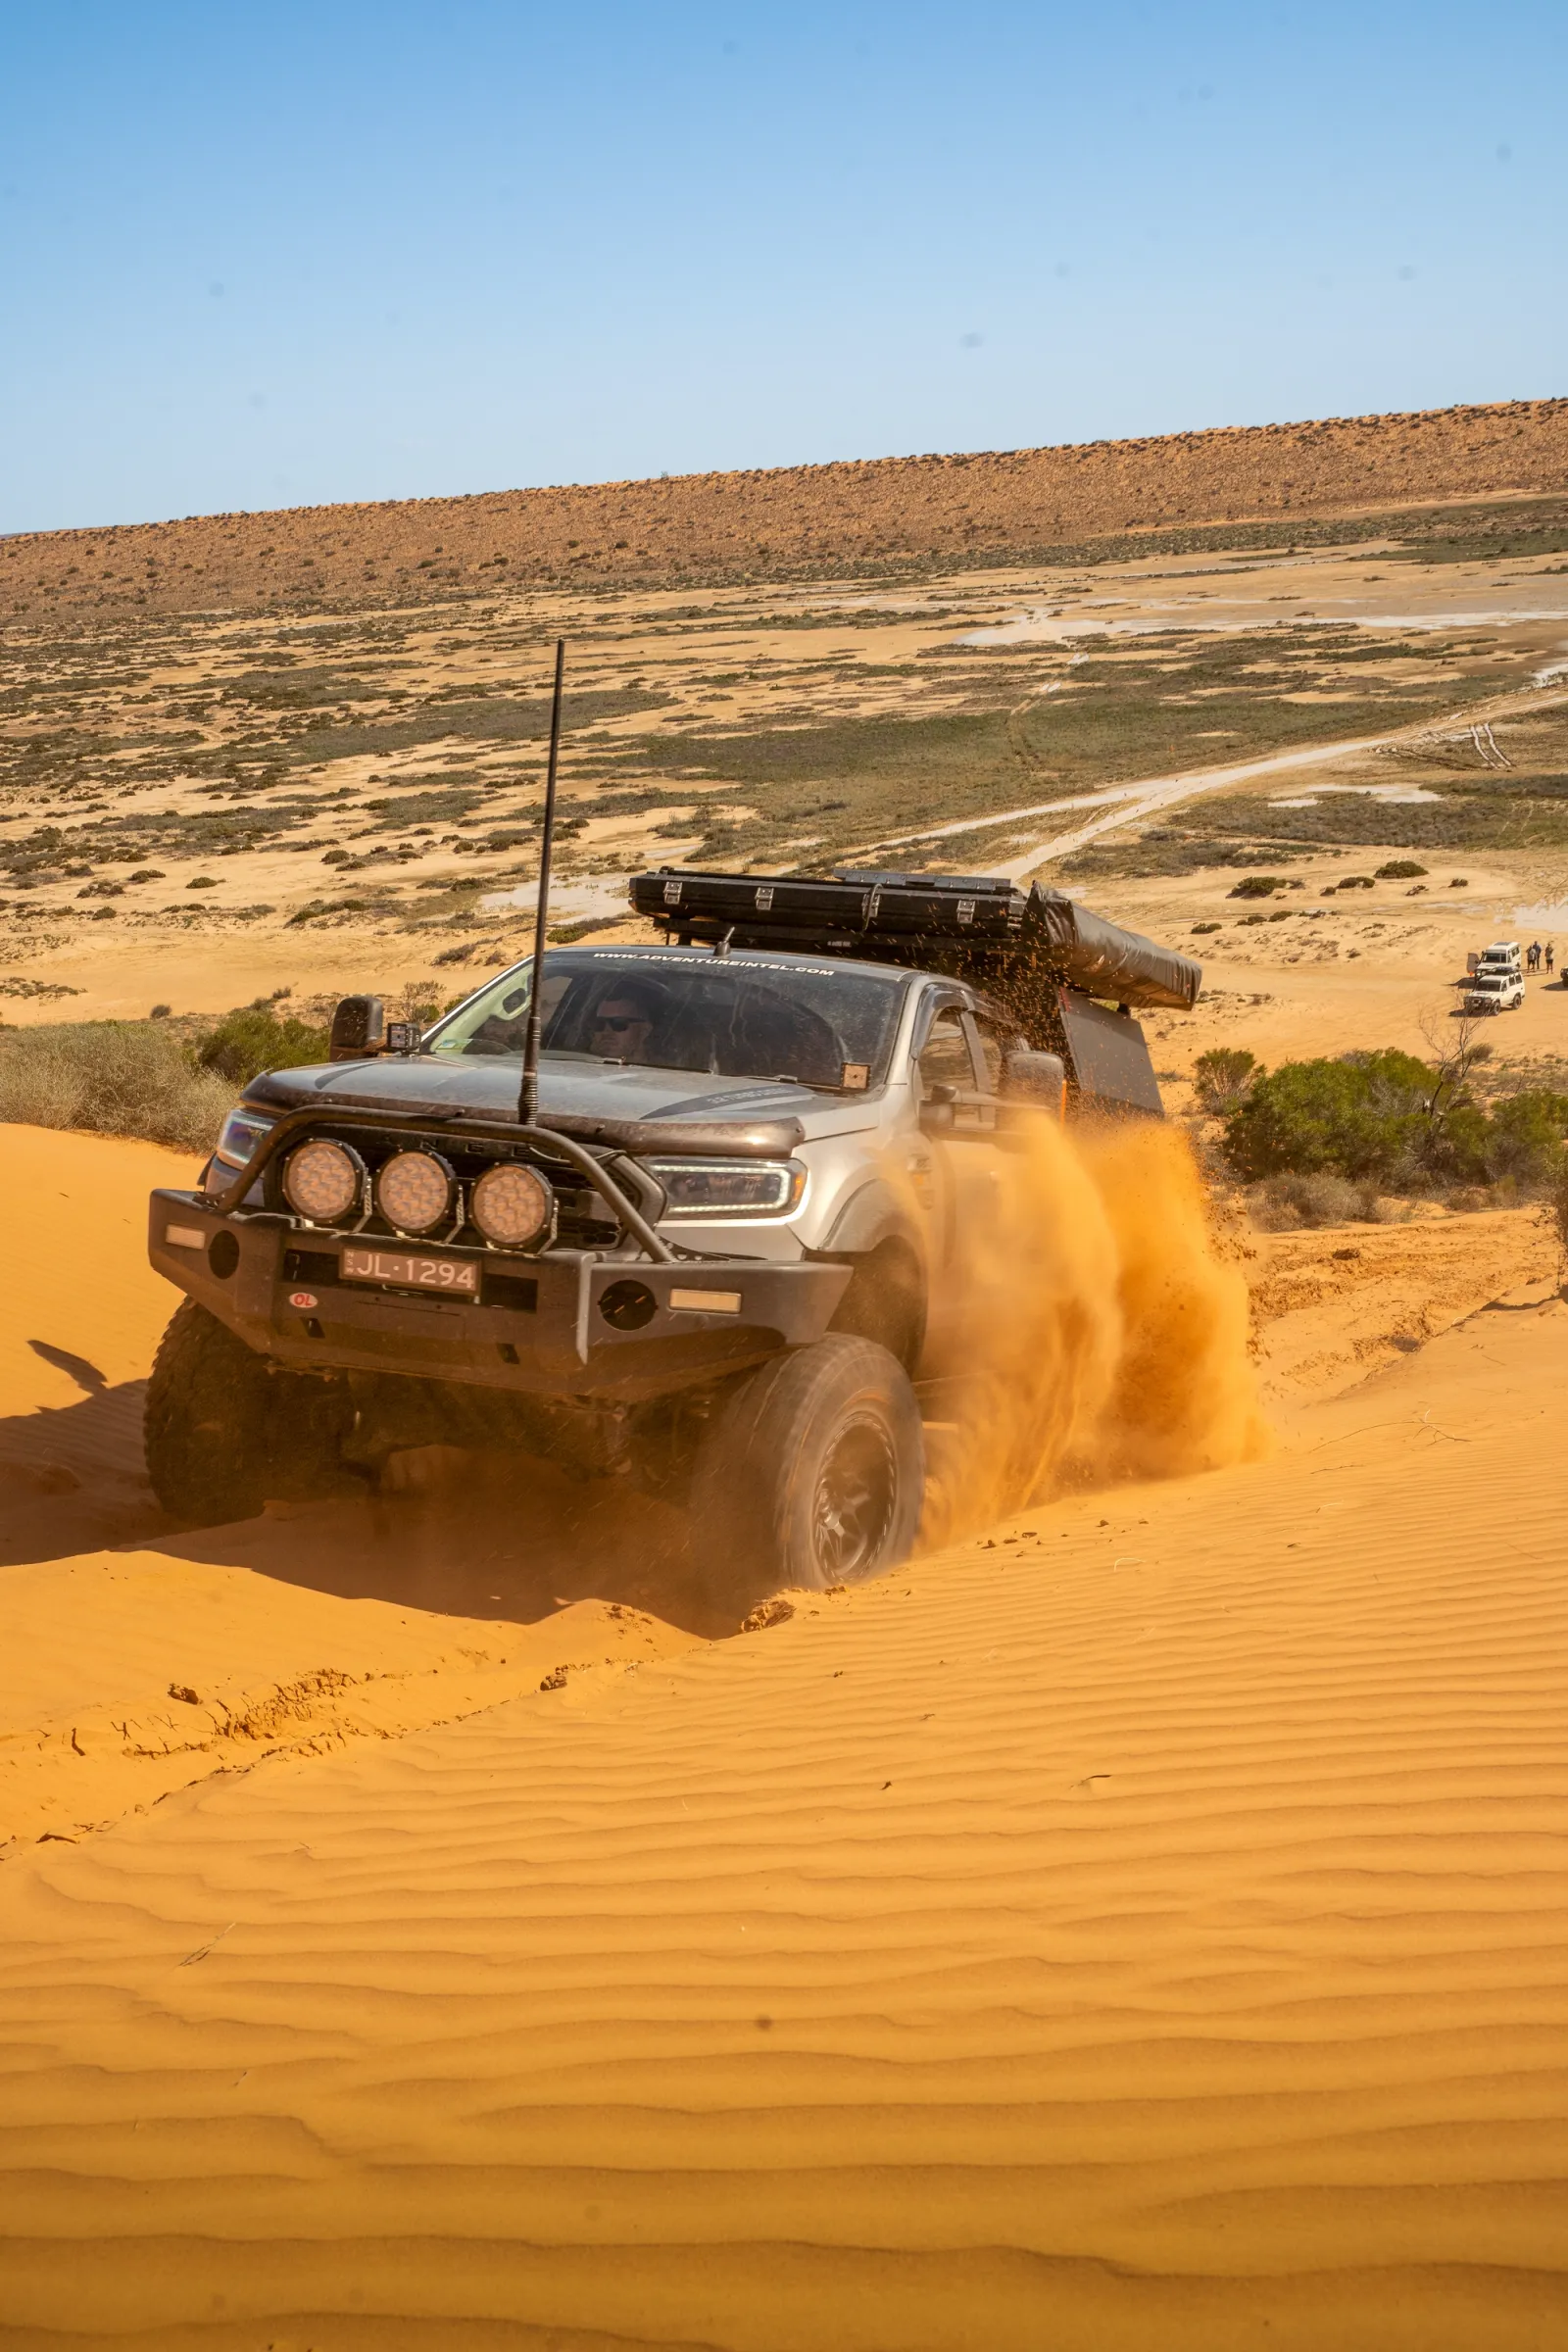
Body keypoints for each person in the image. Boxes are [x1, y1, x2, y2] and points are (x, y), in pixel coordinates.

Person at [587, 982, 661, 1063]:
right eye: (599, 1024)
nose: (606, 1032)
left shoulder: (665, 1072)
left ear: (644, 1030)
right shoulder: (577, 1066)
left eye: (619, 1024)